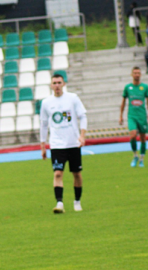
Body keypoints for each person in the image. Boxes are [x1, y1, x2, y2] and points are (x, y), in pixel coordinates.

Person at [39, 74, 87, 214]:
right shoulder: (46, 103)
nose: (57, 85)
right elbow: (43, 124)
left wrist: (82, 135)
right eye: (54, 83)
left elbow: (83, 116)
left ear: (64, 84)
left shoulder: (72, 99)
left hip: (73, 143)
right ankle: (59, 203)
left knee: (76, 174)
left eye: (59, 82)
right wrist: (43, 145)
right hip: (57, 145)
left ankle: (77, 201)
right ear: (51, 85)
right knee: (58, 173)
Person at [119, 67, 148, 168]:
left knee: (143, 138)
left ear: (141, 74)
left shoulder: (145, 87)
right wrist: (121, 115)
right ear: (131, 74)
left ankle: (142, 159)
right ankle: (135, 155)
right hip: (132, 116)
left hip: (142, 116)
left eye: (138, 73)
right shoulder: (128, 87)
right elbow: (123, 102)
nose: (137, 75)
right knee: (133, 135)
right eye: (135, 73)